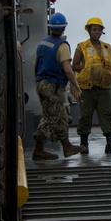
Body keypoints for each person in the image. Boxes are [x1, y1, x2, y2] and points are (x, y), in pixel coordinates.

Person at [32, 12, 83, 160]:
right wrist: (75, 84)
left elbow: (35, 64)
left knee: (60, 116)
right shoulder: (62, 46)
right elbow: (67, 69)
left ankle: (67, 146)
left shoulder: (42, 43)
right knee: (51, 117)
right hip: (53, 86)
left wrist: (38, 81)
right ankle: (38, 149)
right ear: (64, 28)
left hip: (41, 83)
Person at [71, 17, 111, 154]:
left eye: (99, 30)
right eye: (94, 29)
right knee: (85, 115)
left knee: (107, 114)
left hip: (104, 89)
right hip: (87, 88)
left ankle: (110, 143)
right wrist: (86, 68)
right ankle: (84, 144)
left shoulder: (107, 47)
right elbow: (74, 66)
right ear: (88, 31)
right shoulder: (82, 47)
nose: (97, 32)